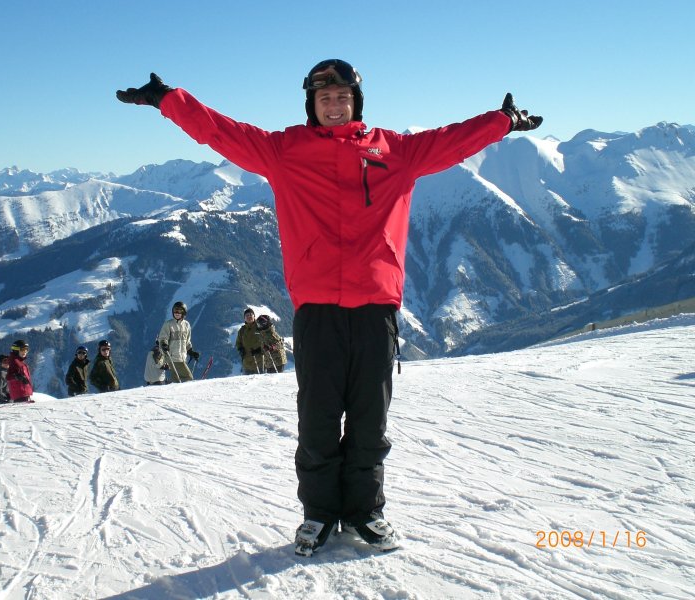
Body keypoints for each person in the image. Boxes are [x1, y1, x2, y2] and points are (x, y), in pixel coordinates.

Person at [117, 59, 542, 556]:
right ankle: (318, 514)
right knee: (317, 421)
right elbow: (221, 132)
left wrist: (501, 121)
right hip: (318, 310)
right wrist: (168, 99)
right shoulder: (284, 151)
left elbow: (452, 141)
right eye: (324, 99)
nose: (334, 105)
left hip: (375, 310)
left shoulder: (396, 151)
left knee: (369, 421)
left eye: (342, 97)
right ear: (311, 105)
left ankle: (366, 512)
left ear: (356, 102)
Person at [156, 301, 199, 383]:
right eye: (175, 311)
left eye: (180, 311)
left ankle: (172, 389)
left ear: (184, 312)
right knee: (188, 378)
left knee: (177, 379)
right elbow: (163, 337)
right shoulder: (168, 324)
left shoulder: (186, 325)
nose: (177, 313)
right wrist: (164, 344)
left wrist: (191, 352)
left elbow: (187, 341)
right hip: (172, 357)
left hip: (182, 357)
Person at [235, 307, 264, 374]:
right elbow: (238, 343)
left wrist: (260, 350)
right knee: (248, 380)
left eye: (251, 314)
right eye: (247, 315)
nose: (249, 317)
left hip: (260, 362)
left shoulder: (260, 327)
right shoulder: (242, 330)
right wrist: (240, 349)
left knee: (261, 380)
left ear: (254, 316)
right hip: (247, 363)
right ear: (244, 318)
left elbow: (267, 341)